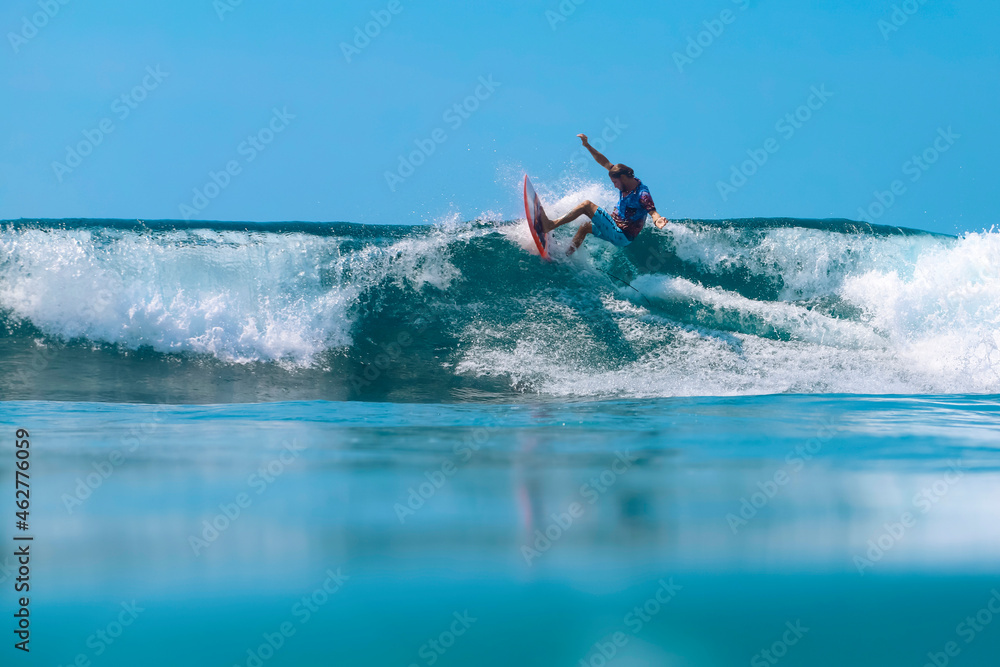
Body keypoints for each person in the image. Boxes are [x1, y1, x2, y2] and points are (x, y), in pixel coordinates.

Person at [540, 133, 669, 255]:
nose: (615, 186)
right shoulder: (625, 180)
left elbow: (653, 212)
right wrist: (587, 145)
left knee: (586, 205)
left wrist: (658, 220)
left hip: (621, 234)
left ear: (623, 178)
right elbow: (604, 162)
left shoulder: (642, 194)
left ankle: (551, 225)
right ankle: (566, 255)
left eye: (615, 182)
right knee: (585, 227)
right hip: (617, 229)